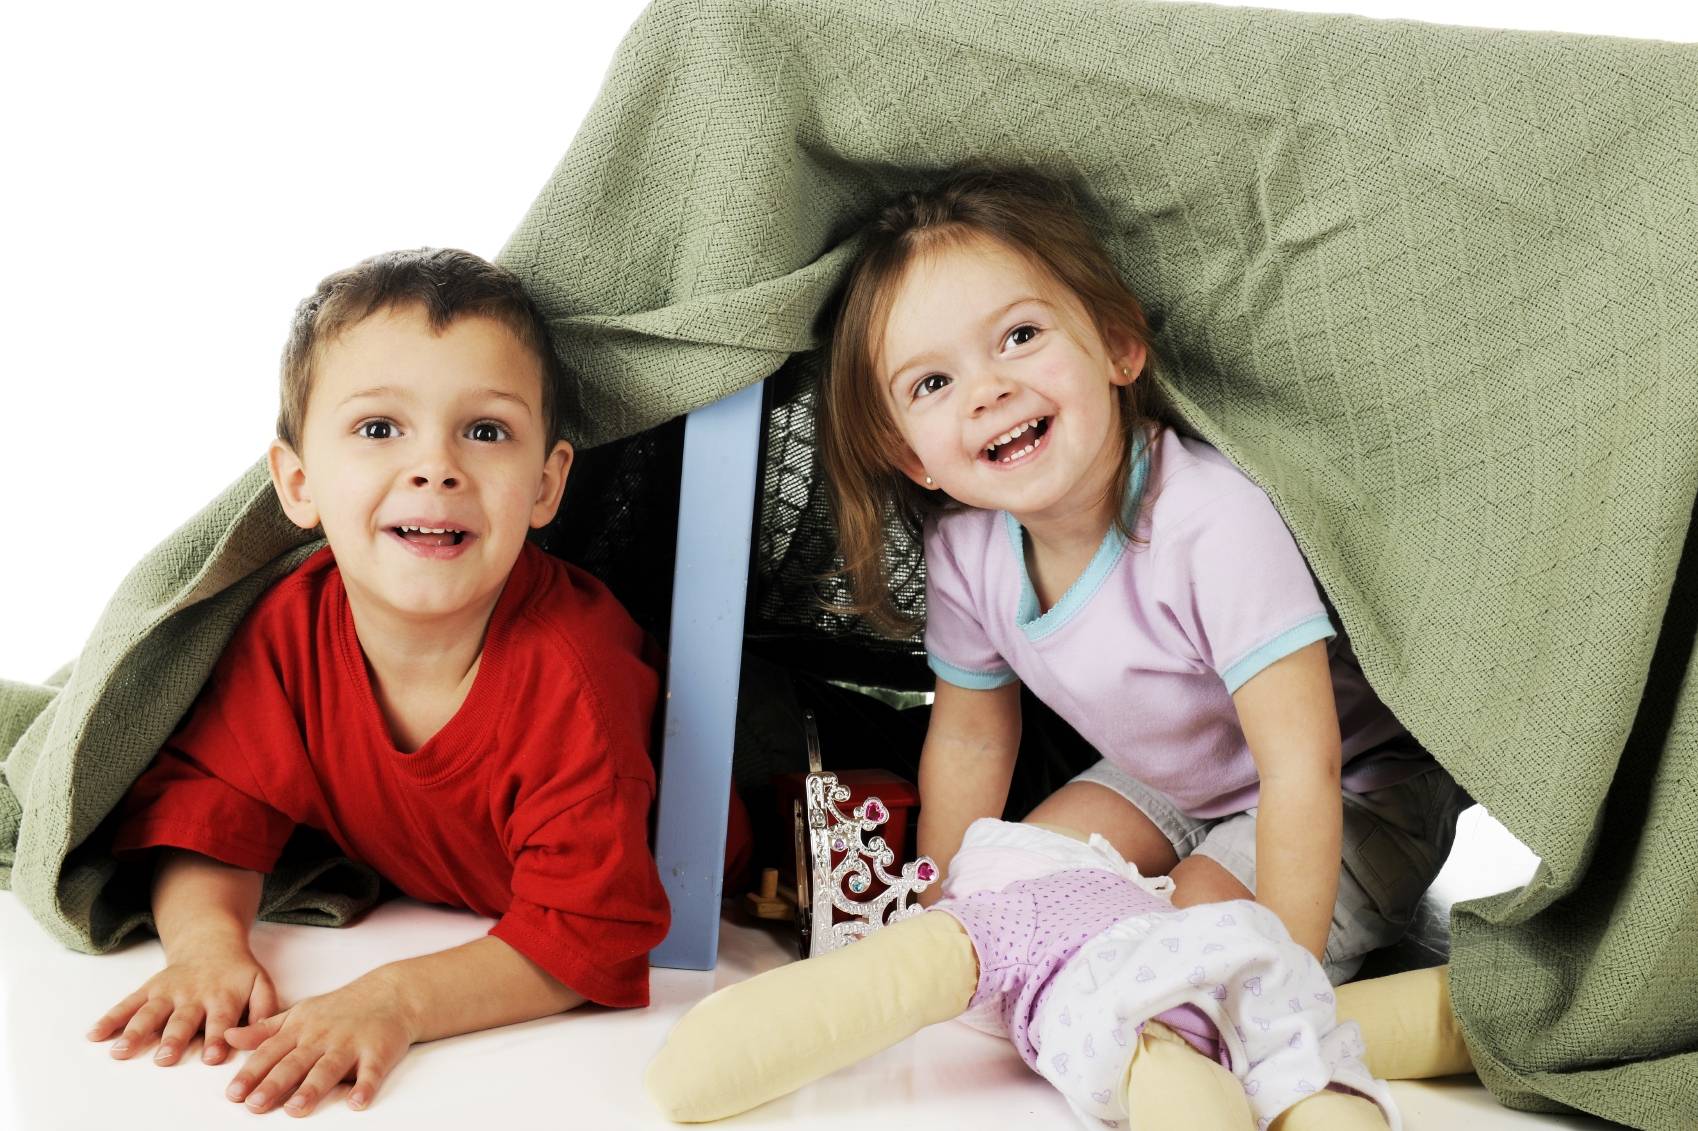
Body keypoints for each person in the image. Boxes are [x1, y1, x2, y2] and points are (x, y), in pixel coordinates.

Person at [818, 168, 1468, 986]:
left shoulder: (1210, 520)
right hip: (1170, 774)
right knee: (998, 894)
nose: (989, 389)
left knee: (1204, 935)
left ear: (1120, 346)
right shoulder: (965, 550)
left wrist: (1284, 982)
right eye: (934, 382)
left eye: (1021, 335)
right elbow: (972, 735)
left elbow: (1299, 764)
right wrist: (938, 919)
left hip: (1353, 783)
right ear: (913, 456)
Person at [85, 248, 669, 1116]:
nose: (436, 466)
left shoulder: (573, 671)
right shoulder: (290, 629)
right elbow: (213, 809)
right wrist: (205, 947)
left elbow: (588, 933)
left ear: (547, 485)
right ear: (298, 482)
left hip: (747, 843)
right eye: (379, 428)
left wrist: (396, 998)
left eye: (485, 430)